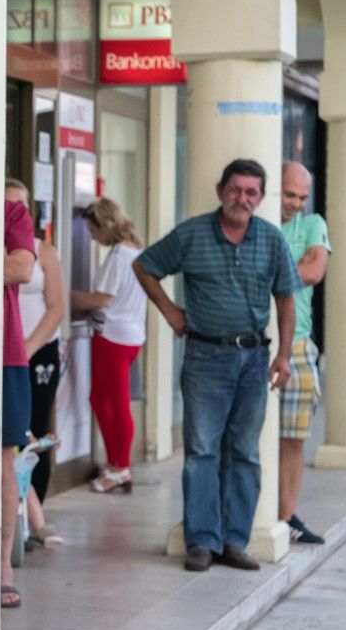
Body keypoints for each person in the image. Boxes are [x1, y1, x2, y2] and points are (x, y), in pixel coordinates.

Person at [134, 159, 299, 573]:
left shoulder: (272, 240)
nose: (241, 198)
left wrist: (283, 355)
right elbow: (145, 265)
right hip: (205, 357)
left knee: (243, 452)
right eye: (235, 189)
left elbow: (286, 298)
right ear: (220, 189)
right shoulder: (191, 234)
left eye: (251, 192)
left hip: (254, 360)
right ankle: (202, 542)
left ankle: (233, 541)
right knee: (202, 451)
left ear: (260, 198)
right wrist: (172, 312)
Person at [73, 198, 149, 493]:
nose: (92, 238)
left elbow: (102, 299)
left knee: (113, 404)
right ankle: (117, 464)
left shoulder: (118, 256)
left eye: (93, 232)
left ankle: (119, 467)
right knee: (105, 400)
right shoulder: (136, 250)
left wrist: (69, 298)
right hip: (131, 335)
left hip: (112, 336)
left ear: (103, 226)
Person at [6, 180, 64, 548]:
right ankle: (24, 517)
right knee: (13, 434)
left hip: (37, 349)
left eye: (22, 205)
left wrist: (27, 348)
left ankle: (36, 508)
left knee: (36, 430)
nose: (17, 211)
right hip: (5, 351)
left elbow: (57, 307)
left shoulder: (44, 252)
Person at [278, 160, 331, 544]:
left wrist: (271, 274)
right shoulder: (261, 222)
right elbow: (304, 268)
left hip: (297, 345)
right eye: (288, 194)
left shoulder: (312, 225)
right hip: (254, 345)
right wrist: (294, 269)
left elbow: (315, 270)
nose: (295, 203)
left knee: (294, 436)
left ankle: (287, 516)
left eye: (301, 196)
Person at [1, 196, 37, 607]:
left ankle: (2, 565)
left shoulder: (13, 211)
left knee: (3, 459)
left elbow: (21, 267)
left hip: (5, 352)